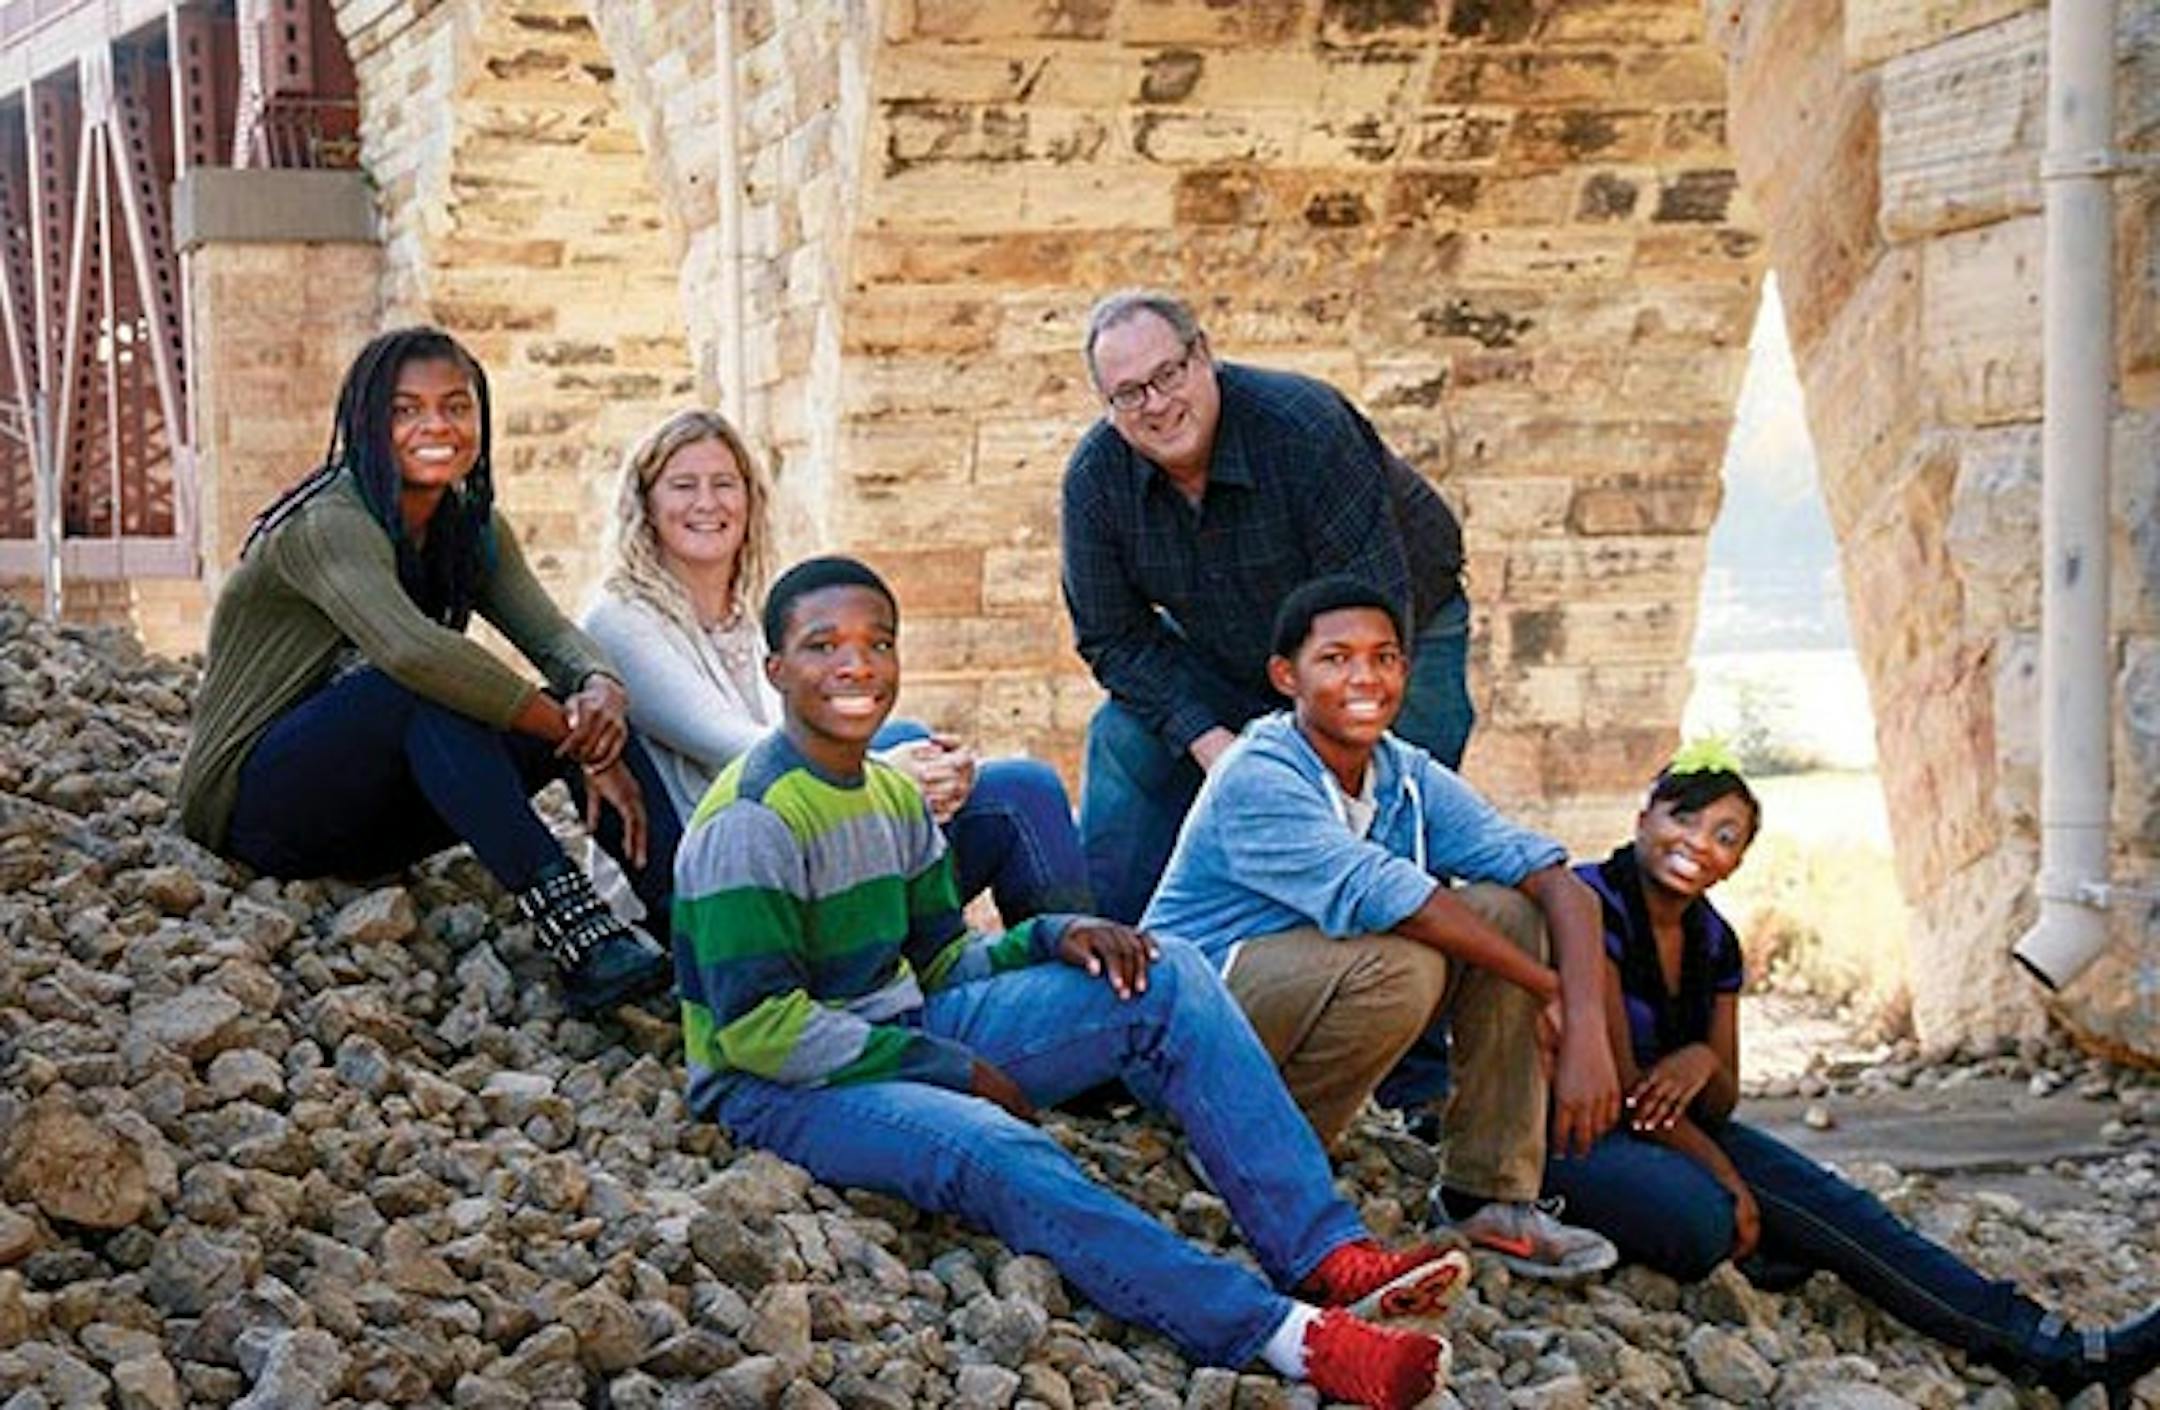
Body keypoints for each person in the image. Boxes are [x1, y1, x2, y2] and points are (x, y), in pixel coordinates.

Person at [673, 555, 1475, 1410]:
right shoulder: (752, 818)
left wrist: (1055, 936)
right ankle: (1288, 1338)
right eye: (823, 645)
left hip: (898, 1024)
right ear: (776, 670)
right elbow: (757, 1030)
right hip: (777, 1083)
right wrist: (950, 1070)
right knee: (997, 1146)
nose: (855, 666)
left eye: (878, 643)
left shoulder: (889, 795)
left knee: (1168, 972)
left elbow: (941, 963)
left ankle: (1324, 1254)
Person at [1546, 745, 2160, 1405]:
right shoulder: (1590, 903)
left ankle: (2060, 1351)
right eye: (1683, 818)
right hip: (1579, 1126)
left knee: (1846, 1213)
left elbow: (1720, 1101)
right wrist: (1725, 1176)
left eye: (1725, 836)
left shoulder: (1715, 941)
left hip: (1676, 1128)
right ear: (1643, 818)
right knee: (1709, 1222)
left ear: (1739, 861)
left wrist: (1702, 1060)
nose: (1699, 843)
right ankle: (1730, 1236)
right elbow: (1626, 1088)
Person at [176, 327, 672, 1012]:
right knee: (418, 689)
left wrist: (599, 692)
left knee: (585, 710)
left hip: (375, 817)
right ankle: (581, 937)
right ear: (364, 422)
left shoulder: (471, 525)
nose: (436, 426)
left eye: (455, 406)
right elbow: (415, 652)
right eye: (405, 410)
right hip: (255, 810)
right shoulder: (328, 522)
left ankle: (696, 926)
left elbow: (553, 634)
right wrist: (574, 737)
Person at [1145, 576, 1621, 1282]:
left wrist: (1586, 1026)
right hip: (1184, 1021)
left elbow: (1558, 883)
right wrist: (1552, 992)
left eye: (1385, 657)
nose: (1365, 677)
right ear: (1286, 677)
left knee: (1511, 913)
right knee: (1404, 964)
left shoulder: (1402, 773)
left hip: (1292, 1001)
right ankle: (1246, 1156)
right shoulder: (1259, 773)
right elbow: (1400, 901)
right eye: (1336, 659)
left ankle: (1486, 1198)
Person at [585, 409, 1091, 923]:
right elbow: (734, 747)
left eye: (724, 484)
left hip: (803, 834)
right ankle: (1070, 965)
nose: (707, 502)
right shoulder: (619, 620)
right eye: (683, 486)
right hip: (728, 876)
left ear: (749, 499)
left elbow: (817, 730)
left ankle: (1057, 954)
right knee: (1021, 792)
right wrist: (889, 775)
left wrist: (942, 769)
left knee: (929, 746)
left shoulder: (752, 613)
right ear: (646, 504)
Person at [1062, 288, 1471, 923]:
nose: (1157, 405)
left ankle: (1394, 963)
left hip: (1393, 634)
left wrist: (1288, 765)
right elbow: (1113, 637)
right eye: (1130, 393)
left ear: (1204, 356)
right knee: (1124, 739)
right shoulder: (1095, 482)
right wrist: (1212, 744)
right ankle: (1114, 948)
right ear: (1108, 408)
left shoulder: (1305, 426)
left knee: (1385, 811)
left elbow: (1369, 614)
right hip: (1229, 650)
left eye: (1168, 374)